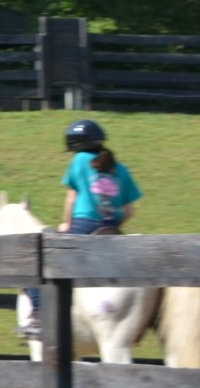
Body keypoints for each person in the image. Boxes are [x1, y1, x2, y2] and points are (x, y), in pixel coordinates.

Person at [20, 118, 142, 338]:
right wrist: (112, 223)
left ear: (75, 146)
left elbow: (72, 197)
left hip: (84, 225)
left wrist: (67, 224)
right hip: (111, 228)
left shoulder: (79, 161)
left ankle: (38, 316)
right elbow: (131, 211)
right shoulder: (121, 169)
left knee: (41, 261)